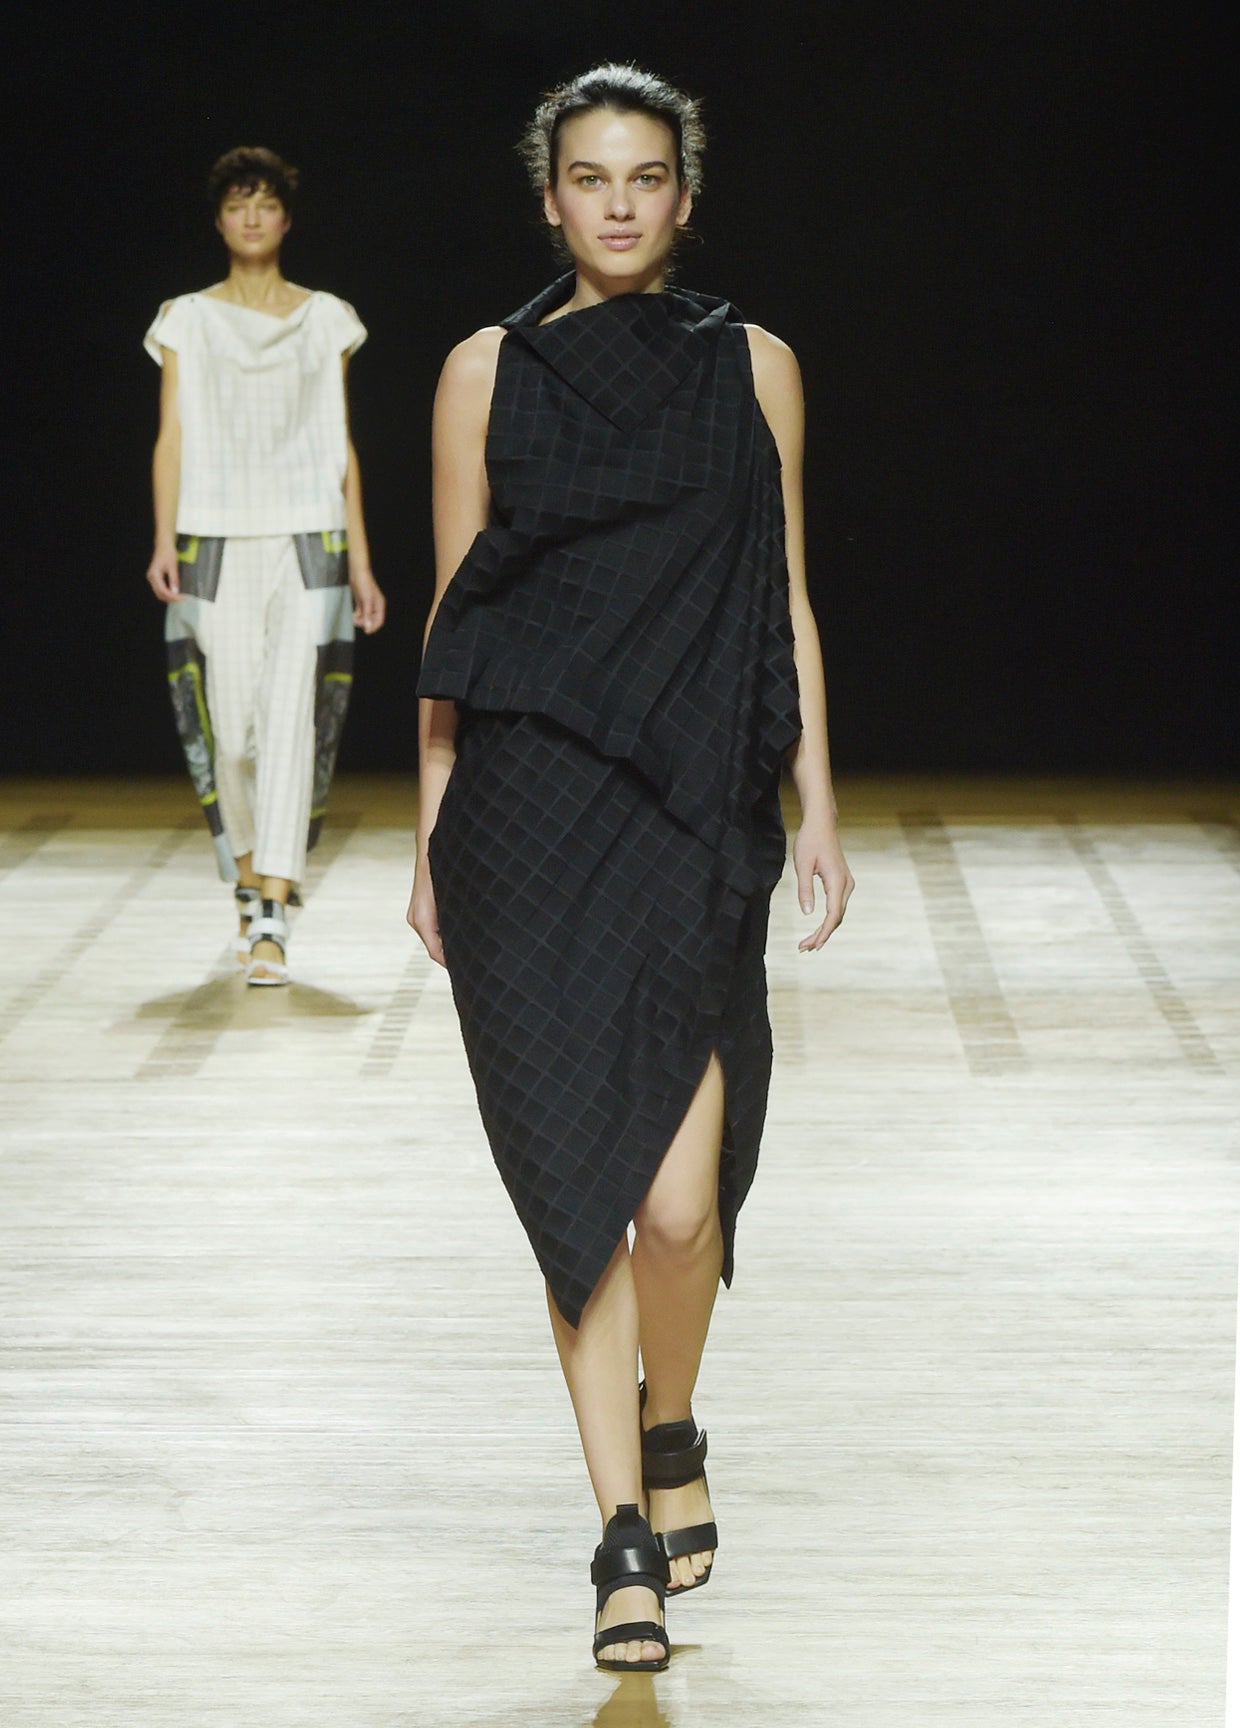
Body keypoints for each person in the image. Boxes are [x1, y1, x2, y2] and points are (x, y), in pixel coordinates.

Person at [408, 65, 854, 1671]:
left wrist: (815, 798)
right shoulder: (485, 372)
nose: (616, 203)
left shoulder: (754, 367)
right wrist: (431, 830)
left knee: (678, 1211)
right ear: (551, 198)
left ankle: (675, 1423)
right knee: (580, 1197)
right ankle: (620, 1540)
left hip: (688, 804)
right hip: (526, 815)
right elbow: (456, 618)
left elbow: (782, 590)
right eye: (588, 177)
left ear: (683, 195)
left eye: (644, 177)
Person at [145, 146, 385, 984]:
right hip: (211, 536)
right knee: (230, 723)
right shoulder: (185, 319)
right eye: (237, 205)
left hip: (309, 538)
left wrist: (361, 562)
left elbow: (340, 442)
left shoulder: (327, 319)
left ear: (286, 218)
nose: (252, 218)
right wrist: (163, 539)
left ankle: (273, 907)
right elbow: (171, 437)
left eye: (266, 203)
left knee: (291, 717)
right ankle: (248, 878)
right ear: (219, 221)